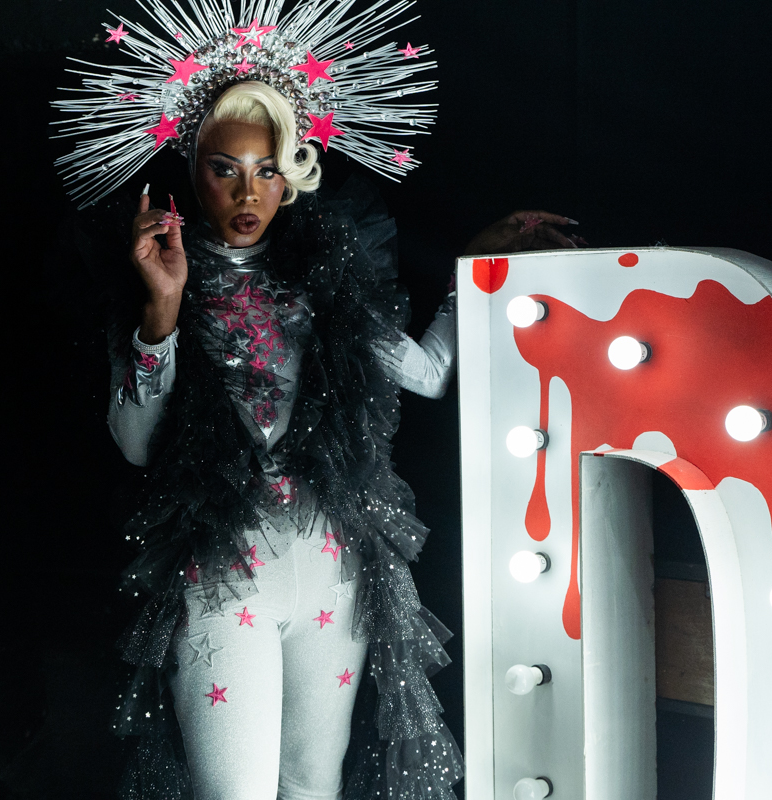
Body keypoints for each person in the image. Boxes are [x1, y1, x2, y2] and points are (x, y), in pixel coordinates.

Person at [104, 80, 576, 800]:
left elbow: (427, 375)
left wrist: (473, 272)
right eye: (225, 169)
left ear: (291, 174)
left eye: (267, 170)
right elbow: (138, 446)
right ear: (191, 171)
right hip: (225, 575)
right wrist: (163, 307)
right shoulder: (159, 282)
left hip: (333, 568)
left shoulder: (323, 279)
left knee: (312, 791)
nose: (247, 193)